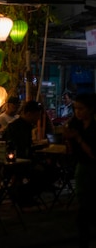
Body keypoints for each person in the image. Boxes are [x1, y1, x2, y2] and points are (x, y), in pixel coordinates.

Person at [63, 93, 96, 248]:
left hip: (92, 167)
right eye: (76, 108)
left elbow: (93, 153)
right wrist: (69, 140)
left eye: (81, 109)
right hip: (81, 165)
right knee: (83, 199)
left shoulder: (93, 128)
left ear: (90, 109)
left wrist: (78, 138)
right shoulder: (75, 124)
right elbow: (72, 150)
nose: (78, 112)